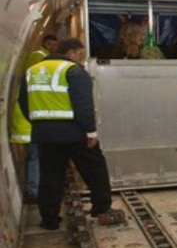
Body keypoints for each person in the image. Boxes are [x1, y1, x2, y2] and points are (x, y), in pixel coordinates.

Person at [19, 37, 112, 230]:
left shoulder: (31, 72)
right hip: (74, 132)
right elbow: (83, 106)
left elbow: (23, 103)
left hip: (44, 134)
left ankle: (50, 219)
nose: (81, 59)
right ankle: (102, 209)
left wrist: (40, 123)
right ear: (70, 52)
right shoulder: (74, 72)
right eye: (80, 55)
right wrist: (91, 131)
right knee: (95, 170)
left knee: (50, 176)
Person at [9, 34, 59, 204]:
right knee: (36, 158)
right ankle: (34, 192)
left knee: (36, 158)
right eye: (51, 44)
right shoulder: (39, 57)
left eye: (55, 45)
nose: (53, 47)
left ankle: (36, 189)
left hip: (29, 125)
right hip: (31, 126)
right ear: (44, 43)